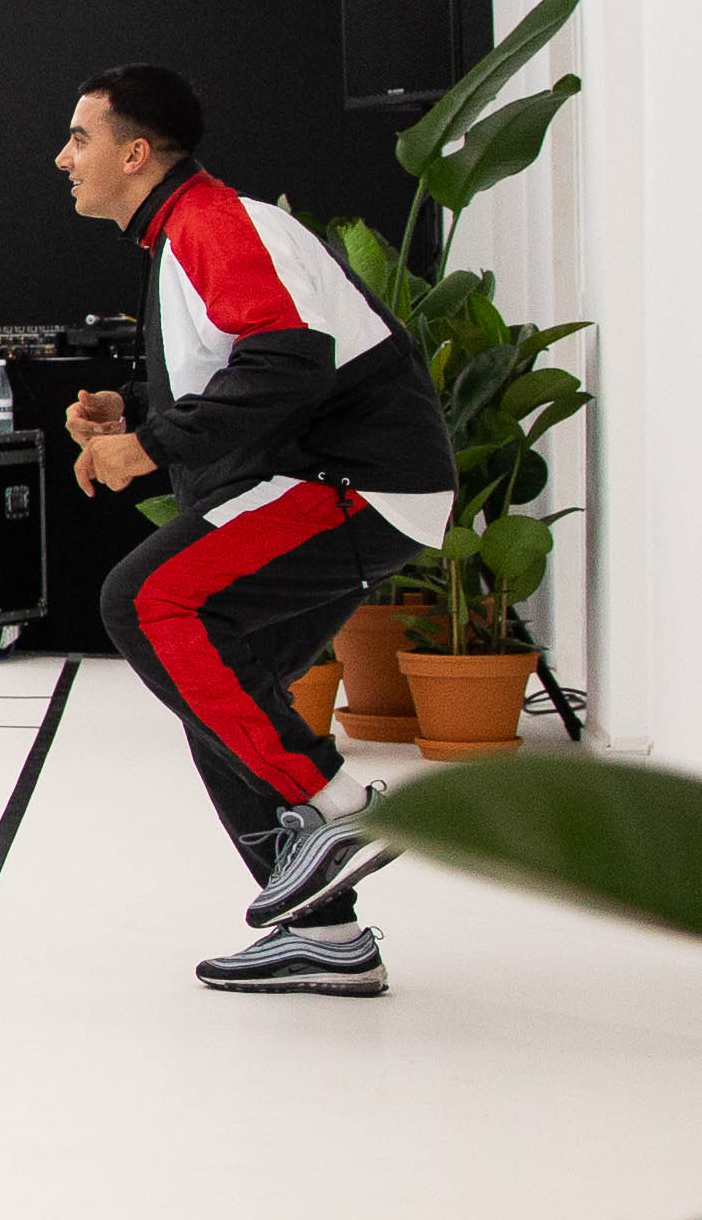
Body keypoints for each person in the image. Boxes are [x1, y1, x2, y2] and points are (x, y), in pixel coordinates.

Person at [51, 62, 450, 996]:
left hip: (351, 478)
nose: (62, 156)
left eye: (81, 137)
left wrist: (149, 447)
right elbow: (247, 362)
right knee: (223, 700)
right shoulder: (188, 229)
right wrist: (134, 405)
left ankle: (339, 808)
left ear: (136, 152)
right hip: (342, 477)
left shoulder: (211, 221)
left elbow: (286, 363)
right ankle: (327, 937)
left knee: (147, 601)